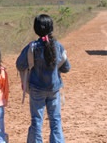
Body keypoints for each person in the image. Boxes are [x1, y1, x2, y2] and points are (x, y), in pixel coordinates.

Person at [16, 14, 71, 143]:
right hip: (54, 89)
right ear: (51, 28)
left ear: (36, 29)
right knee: (56, 120)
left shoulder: (32, 47)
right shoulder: (58, 46)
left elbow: (20, 64)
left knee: (36, 120)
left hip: (36, 89)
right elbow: (66, 67)